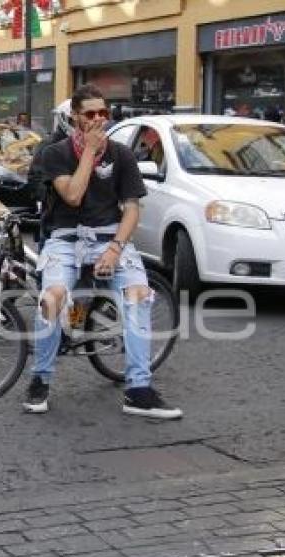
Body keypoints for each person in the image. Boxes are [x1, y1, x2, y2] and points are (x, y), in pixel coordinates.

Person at [23, 84, 183, 420]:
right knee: (51, 297)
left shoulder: (121, 154)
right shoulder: (57, 153)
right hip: (64, 240)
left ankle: (139, 389)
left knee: (139, 295)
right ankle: (41, 378)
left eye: (103, 113)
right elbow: (73, 196)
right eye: (90, 114)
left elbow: (132, 210)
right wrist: (88, 154)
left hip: (110, 238)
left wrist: (114, 248)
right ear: (75, 118)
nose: (99, 119)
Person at [27, 99, 73, 243]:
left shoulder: (87, 145)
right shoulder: (49, 146)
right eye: (73, 120)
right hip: (53, 220)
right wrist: (50, 197)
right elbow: (35, 178)